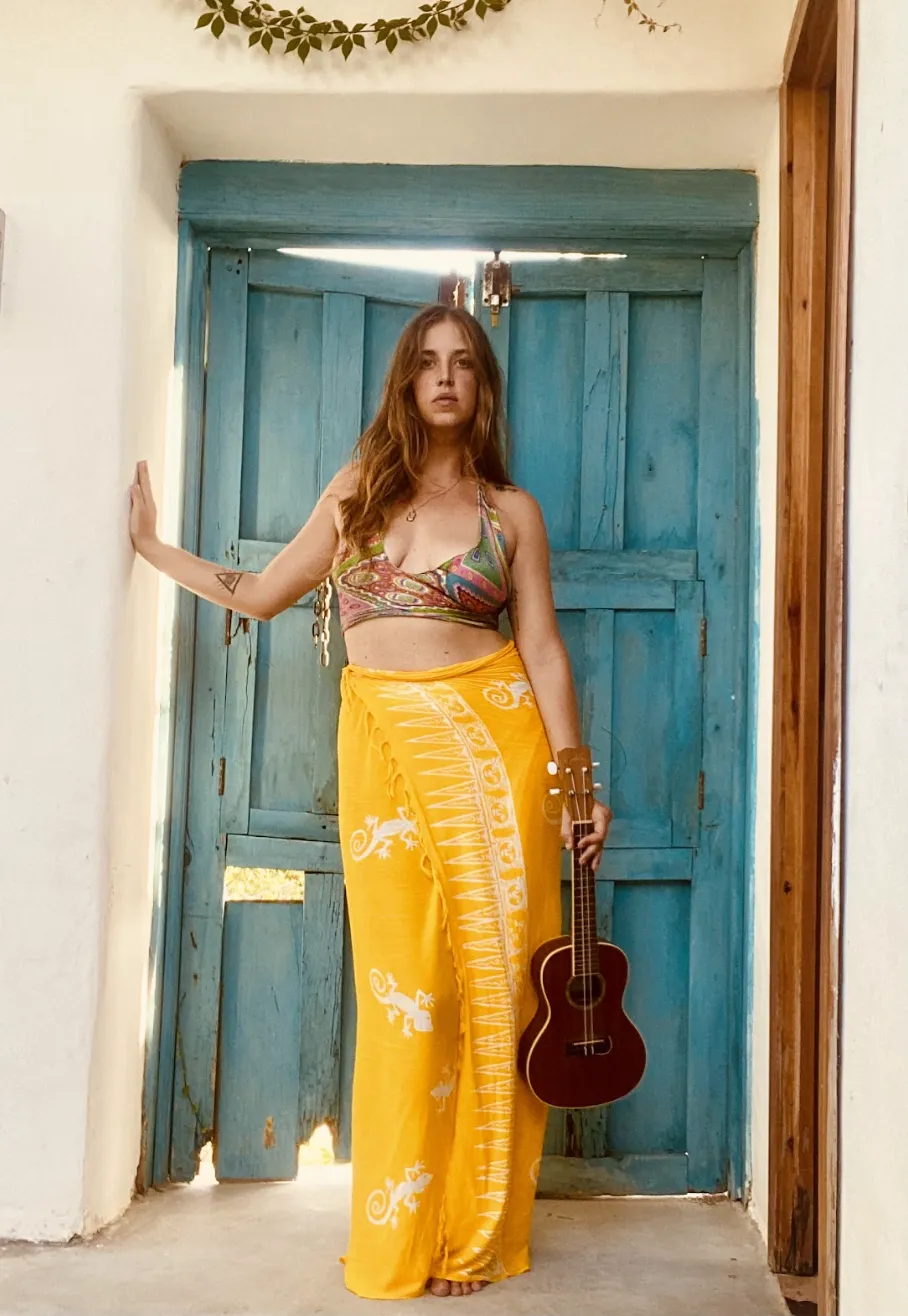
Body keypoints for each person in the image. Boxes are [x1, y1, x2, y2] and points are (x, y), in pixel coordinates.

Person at [129, 302, 613, 1301]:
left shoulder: (506, 512)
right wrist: (154, 550)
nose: (444, 377)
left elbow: (544, 652)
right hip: (386, 753)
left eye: (463, 365)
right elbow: (261, 593)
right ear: (403, 381)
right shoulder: (355, 497)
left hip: (495, 754)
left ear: (480, 388)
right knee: (410, 995)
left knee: (494, 989)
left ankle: (474, 1233)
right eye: (427, 362)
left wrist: (573, 783)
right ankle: (403, 1235)